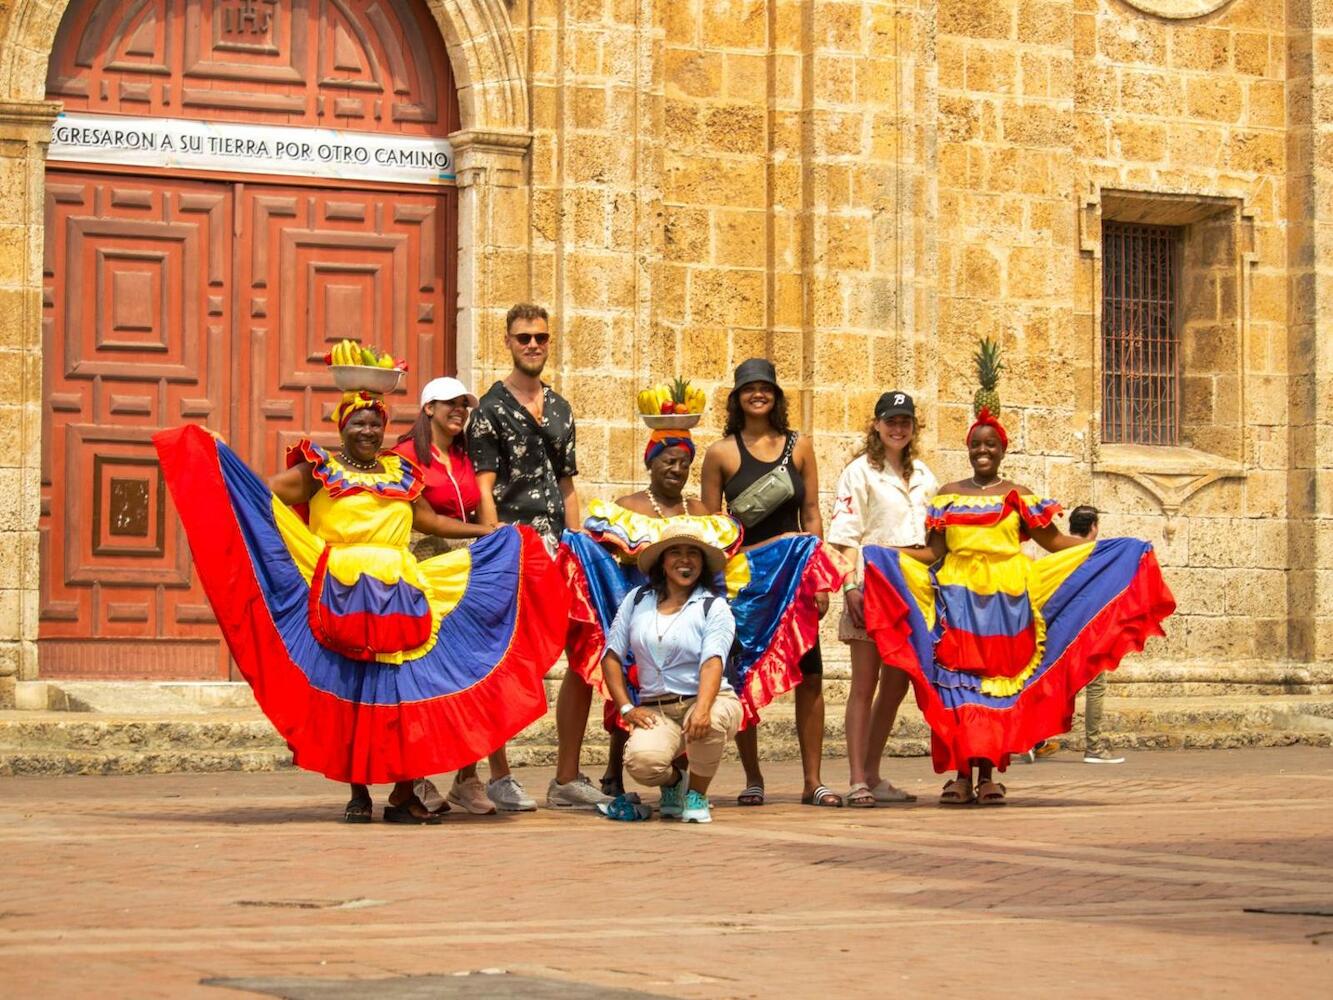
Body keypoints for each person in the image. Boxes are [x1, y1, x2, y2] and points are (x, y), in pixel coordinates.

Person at [152, 382, 567, 824]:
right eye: (358, 423)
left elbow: (427, 520)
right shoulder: (320, 470)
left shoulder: (400, 472)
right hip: (342, 589)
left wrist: (492, 534)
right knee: (353, 691)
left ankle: (403, 794)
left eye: (375, 423)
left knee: (405, 692)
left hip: (400, 592)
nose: (368, 431)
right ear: (342, 426)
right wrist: (222, 458)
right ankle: (358, 794)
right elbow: (262, 496)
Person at [860, 407, 1176, 806]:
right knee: (958, 687)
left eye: (991, 444)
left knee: (997, 687)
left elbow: (1055, 544)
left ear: (1003, 449)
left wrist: (1106, 549)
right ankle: (959, 775)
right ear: (968, 448)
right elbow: (934, 551)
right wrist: (886, 555)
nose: (983, 450)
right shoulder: (947, 495)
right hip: (957, 604)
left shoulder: (1019, 496)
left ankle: (989, 775)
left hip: (1007, 607)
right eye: (976, 444)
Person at [467, 303, 603, 811]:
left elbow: (566, 483)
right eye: (523, 337)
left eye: (540, 338)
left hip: (559, 549)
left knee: (584, 653)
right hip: (510, 546)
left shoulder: (562, 408)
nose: (532, 345)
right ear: (507, 341)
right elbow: (483, 483)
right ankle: (499, 774)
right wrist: (491, 540)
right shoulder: (488, 408)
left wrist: (578, 541)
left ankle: (566, 777)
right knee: (501, 658)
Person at [559, 424, 743, 798]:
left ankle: (681, 785)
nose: (676, 469)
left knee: (689, 683)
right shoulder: (628, 507)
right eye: (668, 461)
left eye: (684, 463)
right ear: (651, 463)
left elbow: (719, 560)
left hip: (689, 612)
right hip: (636, 604)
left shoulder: (702, 510)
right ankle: (616, 770)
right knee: (629, 684)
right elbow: (607, 554)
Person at [701, 358, 842, 809]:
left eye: (765, 388)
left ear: (776, 396)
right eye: (749, 388)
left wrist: (819, 578)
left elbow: (812, 514)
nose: (757, 394)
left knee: (811, 675)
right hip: (746, 581)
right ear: (737, 397)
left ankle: (812, 780)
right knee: (744, 677)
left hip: (795, 579)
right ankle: (753, 776)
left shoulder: (799, 447)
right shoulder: (721, 453)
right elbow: (711, 525)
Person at [392, 376, 523, 815]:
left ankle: (468, 777)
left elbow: (480, 502)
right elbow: (425, 520)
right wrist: (484, 533)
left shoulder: (465, 456)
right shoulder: (406, 456)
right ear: (428, 408)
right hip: (424, 572)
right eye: (450, 404)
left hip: (465, 574)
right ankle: (415, 777)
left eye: (464, 405)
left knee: (471, 670)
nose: (459, 411)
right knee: (424, 674)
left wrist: (494, 541)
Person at [827, 391, 938, 807]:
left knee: (896, 684)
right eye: (890, 420)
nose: (898, 427)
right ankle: (857, 778)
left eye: (905, 421)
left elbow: (933, 536)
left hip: (913, 588)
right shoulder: (860, 473)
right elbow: (846, 536)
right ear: (876, 424)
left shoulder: (925, 475)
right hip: (872, 586)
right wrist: (850, 586)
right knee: (863, 683)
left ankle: (872, 772)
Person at [600, 525, 744, 824]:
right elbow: (611, 656)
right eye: (675, 553)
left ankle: (697, 794)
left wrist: (702, 709)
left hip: (709, 699)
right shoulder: (637, 600)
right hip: (658, 708)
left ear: (702, 564)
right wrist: (626, 708)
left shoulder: (713, 606)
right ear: (662, 562)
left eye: (693, 554)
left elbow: (713, 661)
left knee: (710, 722)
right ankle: (674, 783)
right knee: (641, 763)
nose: (685, 560)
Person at [1025, 506, 1125, 766]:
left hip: (1054, 630)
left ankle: (1032, 741)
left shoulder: (1055, 556)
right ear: (1093, 526)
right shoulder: (1096, 555)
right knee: (1095, 686)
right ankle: (1093, 746)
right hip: (1087, 631)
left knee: (1046, 682)